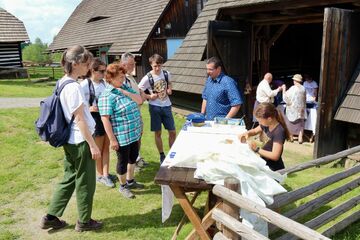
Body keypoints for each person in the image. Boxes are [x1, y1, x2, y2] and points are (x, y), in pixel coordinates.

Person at [40, 45, 103, 232]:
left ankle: (50, 217)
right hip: (80, 140)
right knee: (86, 182)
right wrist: (93, 145)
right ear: (75, 64)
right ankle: (84, 222)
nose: (89, 67)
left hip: (69, 140)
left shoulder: (62, 82)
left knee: (69, 178)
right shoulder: (74, 87)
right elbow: (80, 118)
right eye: (86, 64)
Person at [98, 64, 144, 199]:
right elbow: (105, 119)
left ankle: (130, 181)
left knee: (133, 157)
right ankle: (123, 186)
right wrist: (112, 139)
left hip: (133, 132)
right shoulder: (107, 95)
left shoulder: (124, 87)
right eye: (120, 77)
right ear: (110, 78)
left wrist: (126, 92)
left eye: (123, 77)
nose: (123, 80)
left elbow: (140, 100)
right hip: (122, 136)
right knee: (123, 161)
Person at [80, 58, 114, 188]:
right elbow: (78, 105)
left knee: (107, 147)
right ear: (93, 71)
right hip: (94, 119)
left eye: (105, 71)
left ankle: (106, 173)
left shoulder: (104, 84)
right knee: (98, 149)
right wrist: (89, 108)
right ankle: (100, 175)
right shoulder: (84, 85)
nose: (104, 74)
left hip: (105, 117)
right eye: (101, 71)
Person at [138, 54, 176, 164]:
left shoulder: (166, 73)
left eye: (159, 65)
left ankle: (172, 154)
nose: (157, 68)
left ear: (162, 64)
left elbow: (169, 83)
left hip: (167, 106)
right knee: (158, 133)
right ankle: (162, 155)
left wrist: (170, 89)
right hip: (154, 107)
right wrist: (149, 97)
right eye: (155, 66)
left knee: (172, 132)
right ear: (151, 65)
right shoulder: (147, 77)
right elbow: (139, 89)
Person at [238, 102, 290, 171]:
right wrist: (247, 133)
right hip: (264, 162)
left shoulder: (279, 131)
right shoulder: (266, 124)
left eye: (260, 121)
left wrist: (256, 149)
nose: (259, 123)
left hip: (273, 168)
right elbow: (255, 131)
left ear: (269, 119)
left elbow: (275, 156)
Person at [120, 52, 148, 168]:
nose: (133, 66)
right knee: (132, 141)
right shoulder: (122, 79)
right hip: (129, 116)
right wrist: (140, 97)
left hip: (136, 113)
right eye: (131, 64)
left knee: (138, 137)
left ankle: (137, 158)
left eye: (134, 63)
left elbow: (138, 92)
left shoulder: (131, 77)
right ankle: (132, 163)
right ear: (123, 64)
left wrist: (141, 93)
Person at [282, 74, 306, 144]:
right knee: (301, 124)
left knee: (290, 123)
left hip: (293, 109)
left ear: (295, 81)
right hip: (301, 109)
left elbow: (286, 98)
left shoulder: (293, 88)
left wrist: (283, 89)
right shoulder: (303, 88)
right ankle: (300, 138)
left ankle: (291, 137)